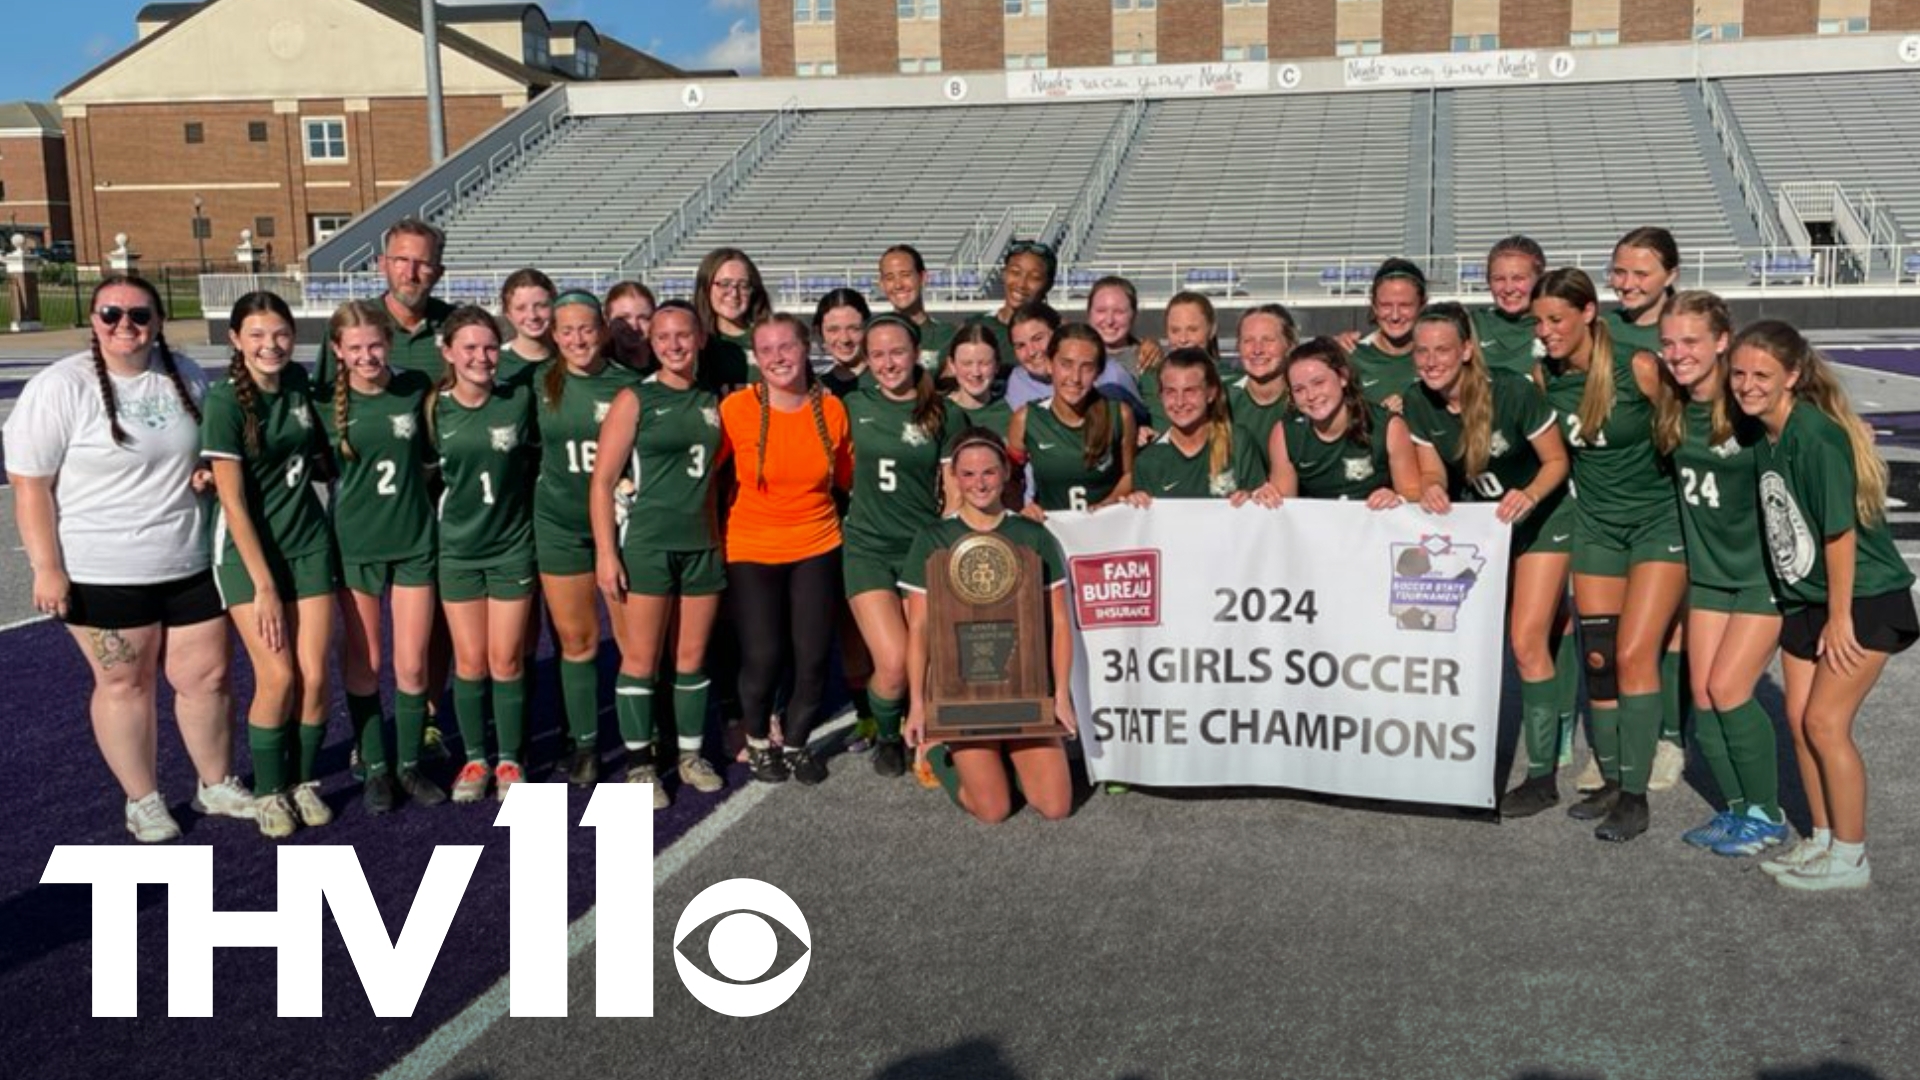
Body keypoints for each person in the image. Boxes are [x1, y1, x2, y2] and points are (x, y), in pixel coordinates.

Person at [4, 274, 253, 841]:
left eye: (139, 315)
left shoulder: (182, 374)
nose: (125, 325)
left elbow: (202, 450)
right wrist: (47, 567)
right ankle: (142, 798)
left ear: (158, 320)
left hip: (188, 558)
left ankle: (214, 782)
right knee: (125, 684)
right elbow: (29, 486)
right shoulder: (61, 387)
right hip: (103, 567)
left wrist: (205, 475)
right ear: (93, 320)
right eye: (110, 314)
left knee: (208, 677)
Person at [1732, 321, 1916, 891]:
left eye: (1762, 374)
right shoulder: (1762, 431)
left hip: (1860, 596)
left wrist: (1839, 620)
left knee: (1825, 722)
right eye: (1739, 373)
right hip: (1807, 597)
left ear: (1793, 376)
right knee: (1798, 720)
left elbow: (1839, 535)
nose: (1746, 385)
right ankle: (1823, 838)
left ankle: (1852, 856)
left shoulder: (1815, 436)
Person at [1531, 268, 1685, 842]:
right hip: (1595, 527)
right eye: (1539, 322)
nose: (1545, 331)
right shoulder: (1544, 377)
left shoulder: (1638, 366)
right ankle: (1615, 780)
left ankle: (1637, 795)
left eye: (1555, 320)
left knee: (1636, 652)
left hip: (1656, 525)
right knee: (1599, 658)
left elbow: (1687, 425)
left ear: (1588, 313)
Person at [1401, 302, 1572, 816]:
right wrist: (1431, 490)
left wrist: (1530, 496)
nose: (1430, 361)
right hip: (1487, 527)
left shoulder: (1512, 391)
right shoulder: (1417, 400)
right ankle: (1460, 754)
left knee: (1525, 640)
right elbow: (1432, 471)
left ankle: (1543, 775)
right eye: (1422, 351)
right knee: (1474, 640)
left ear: (1467, 350)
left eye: (1442, 350)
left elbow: (1557, 460)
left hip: (1543, 519)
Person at [1650, 292, 1785, 854]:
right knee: (1702, 698)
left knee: (1729, 690)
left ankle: (1767, 814)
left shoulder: (1748, 406)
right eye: (1669, 343)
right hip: (1707, 576)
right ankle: (1736, 812)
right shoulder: (1671, 404)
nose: (1677, 353)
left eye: (1690, 342)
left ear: (1722, 341)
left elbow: (1810, 429)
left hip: (1759, 576)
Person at [203, 291, 340, 838]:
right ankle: (267, 791)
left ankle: (302, 782)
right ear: (236, 340)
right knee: (278, 676)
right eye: (257, 335)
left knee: (312, 676)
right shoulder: (225, 402)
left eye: (280, 333)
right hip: (247, 557)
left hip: (308, 544)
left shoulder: (301, 383)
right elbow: (233, 503)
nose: (271, 345)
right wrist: (262, 586)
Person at [591, 300, 730, 808]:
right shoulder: (636, 398)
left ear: (700, 339)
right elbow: (602, 481)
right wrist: (607, 553)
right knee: (641, 659)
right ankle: (640, 765)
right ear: (652, 343)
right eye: (664, 337)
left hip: (701, 546)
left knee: (691, 659)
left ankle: (690, 756)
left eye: (683, 336)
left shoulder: (711, 399)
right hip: (648, 544)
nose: (674, 345)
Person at [903, 428, 1076, 824]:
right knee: (993, 810)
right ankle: (936, 753)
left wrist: (1060, 695)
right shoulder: (933, 538)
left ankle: (1008, 760)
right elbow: (920, 629)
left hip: (1023, 690)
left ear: (1005, 475)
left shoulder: (1033, 536)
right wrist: (919, 708)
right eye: (968, 474)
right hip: (961, 696)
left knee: (1055, 806)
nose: (979, 483)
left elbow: (1060, 622)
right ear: (955, 478)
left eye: (989, 473)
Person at [319, 300, 445, 813]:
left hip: (414, 540)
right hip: (357, 545)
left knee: (412, 664)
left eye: (375, 345)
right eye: (355, 348)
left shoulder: (415, 387)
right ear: (337, 352)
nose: (367, 356)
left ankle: (409, 764)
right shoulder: (323, 402)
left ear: (389, 343)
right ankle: (374, 766)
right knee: (365, 663)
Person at [719, 313, 854, 785]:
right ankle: (758, 740)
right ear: (756, 358)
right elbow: (705, 472)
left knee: (813, 655)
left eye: (787, 347)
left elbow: (844, 480)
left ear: (805, 349)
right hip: (752, 546)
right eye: (767, 349)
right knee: (763, 656)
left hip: (816, 542)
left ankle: (796, 743)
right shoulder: (736, 408)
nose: (778, 357)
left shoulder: (832, 410)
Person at [844, 314, 966, 778]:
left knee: (928, 657)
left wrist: (947, 547)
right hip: (867, 548)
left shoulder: (945, 411)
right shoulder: (851, 404)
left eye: (897, 352)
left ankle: (924, 734)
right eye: (877, 354)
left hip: (920, 549)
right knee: (893, 663)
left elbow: (953, 492)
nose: (888, 362)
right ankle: (889, 734)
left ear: (917, 354)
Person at [535, 292, 644, 786]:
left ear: (602, 330)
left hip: (618, 528)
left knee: (631, 641)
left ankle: (642, 741)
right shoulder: (538, 383)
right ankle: (585, 745)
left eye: (586, 328)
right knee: (577, 641)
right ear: (554, 336)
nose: (577, 339)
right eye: (567, 331)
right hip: (560, 526)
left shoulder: (629, 385)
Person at [431, 305, 538, 803]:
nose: (481, 357)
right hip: (458, 552)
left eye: (490, 347)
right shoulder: (433, 409)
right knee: (470, 662)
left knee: (507, 657)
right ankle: (476, 757)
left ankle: (511, 758)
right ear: (448, 352)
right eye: (469, 348)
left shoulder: (518, 400)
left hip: (512, 548)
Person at [1608, 226, 1688, 768]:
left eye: (1641, 273)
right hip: (1613, 499)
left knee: (1673, 626)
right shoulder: (1601, 327)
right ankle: (1628, 734)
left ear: (1670, 277)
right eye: (1620, 272)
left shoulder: (1685, 328)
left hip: (1678, 496)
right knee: (1617, 625)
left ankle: (1671, 736)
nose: (1628, 283)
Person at [1264, 337, 1421, 505]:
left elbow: (1413, 491)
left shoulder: (1387, 426)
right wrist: (1267, 498)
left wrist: (1396, 498)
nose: (1311, 396)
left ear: (1343, 377)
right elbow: (1285, 508)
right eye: (1299, 389)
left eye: (1318, 383)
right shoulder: (1286, 434)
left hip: (1376, 524)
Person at [1008, 324, 1137, 517]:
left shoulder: (1120, 415)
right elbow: (1009, 479)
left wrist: (1109, 504)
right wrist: (1022, 510)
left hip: (1108, 533)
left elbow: (1131, 474)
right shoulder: (1026, 418)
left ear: (1098, 372)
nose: (1075, 378)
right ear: (1050, 365)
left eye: (1086, 367)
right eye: (1066, 364)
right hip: (1051, 535)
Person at [314, 218, 454, 383]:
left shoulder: (458, 325)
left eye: (423, 263)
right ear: (383, 265)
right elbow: (323, 396)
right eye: (401, 260)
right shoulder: (349, 324)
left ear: (438, 272)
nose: (410, 274)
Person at [1126, 348, 1265, 505]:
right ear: (1160, 396)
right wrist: (1136, 505)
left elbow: (1261, 512)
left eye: (1190, 391)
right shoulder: (1148, 462)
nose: (1180, 402)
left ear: (1211, 393)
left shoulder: (1239, 443)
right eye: (1170, 392)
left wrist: (1252, 500)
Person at [1347, 258, 1426, 410]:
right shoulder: (1352, 357)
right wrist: (1379, 418)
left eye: (1405, 305)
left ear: (1422, 305)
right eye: (1386, 305)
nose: (1395, 316)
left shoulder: (1438, 357)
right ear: (1374, 306)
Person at [1138, 291, 1220, 437]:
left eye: (1192, 329)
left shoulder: (1233, 381)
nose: (1183, 339)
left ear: (1212, 329)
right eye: (1175, 330)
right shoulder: (1148, 379)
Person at [694, 246, 772, 393]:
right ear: (706, 287)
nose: (734, 293)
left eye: (743, 285)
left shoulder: (771, 340)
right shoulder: (693, 342)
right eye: (724, 284)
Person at [1227, 304, 1299, 460]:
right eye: (1248, 340)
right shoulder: (1223, 399)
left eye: (1268, 340)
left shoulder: (1306, 397)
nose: (1257, 349)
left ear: (1290, 345)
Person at [1473, 235, 1547, 377]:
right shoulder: (1472, 325)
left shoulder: (1557, 327)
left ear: (1540, 279)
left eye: (1518, 278)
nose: (1508, 288)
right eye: (1499, 279)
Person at [975, 239, 1055, 363]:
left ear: (1048, 285)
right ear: (1003, 274)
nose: (1021, 284)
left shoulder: (1061, 332)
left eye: (1034, 277)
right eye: (1015, 272)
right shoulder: (976, 327)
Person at [878, 244, 956, 369]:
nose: (898, 285)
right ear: (882, 284)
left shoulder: (948, 336)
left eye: (905, 275)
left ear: (923, 278)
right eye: (890, 278)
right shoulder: (872, 338)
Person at [944, 322, 1014, 437]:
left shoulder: (1011, 412)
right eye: (967, 363)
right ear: (952, 365)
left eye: (984, 363)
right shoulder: (937, 412)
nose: (976, 372)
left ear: (997, 365)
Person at [1086, 275, 1162, 380]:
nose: (1109, 321)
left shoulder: (1147, 360)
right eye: (1101, 311)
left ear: (1134, 314)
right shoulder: (1072, 355)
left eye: (1119, 312)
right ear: (1089, 313)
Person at [495, 268, 557, 389]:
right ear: (508, 314)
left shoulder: (570, 358)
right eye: (521, 308)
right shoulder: (495, 362)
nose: (532, 316)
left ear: (554, 306)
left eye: (541, 306)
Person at [815, 288, 872, 398]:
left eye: (853, 328)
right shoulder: (814, 389)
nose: (844, 339)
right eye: (833, 330)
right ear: (819, 332)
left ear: (867, 328)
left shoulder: (888, 382)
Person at [605, 280, 657, 374]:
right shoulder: (595, 366)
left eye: (643, 318)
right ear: (607, 320)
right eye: (624, 318)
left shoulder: (668, 362)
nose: (634, 327)